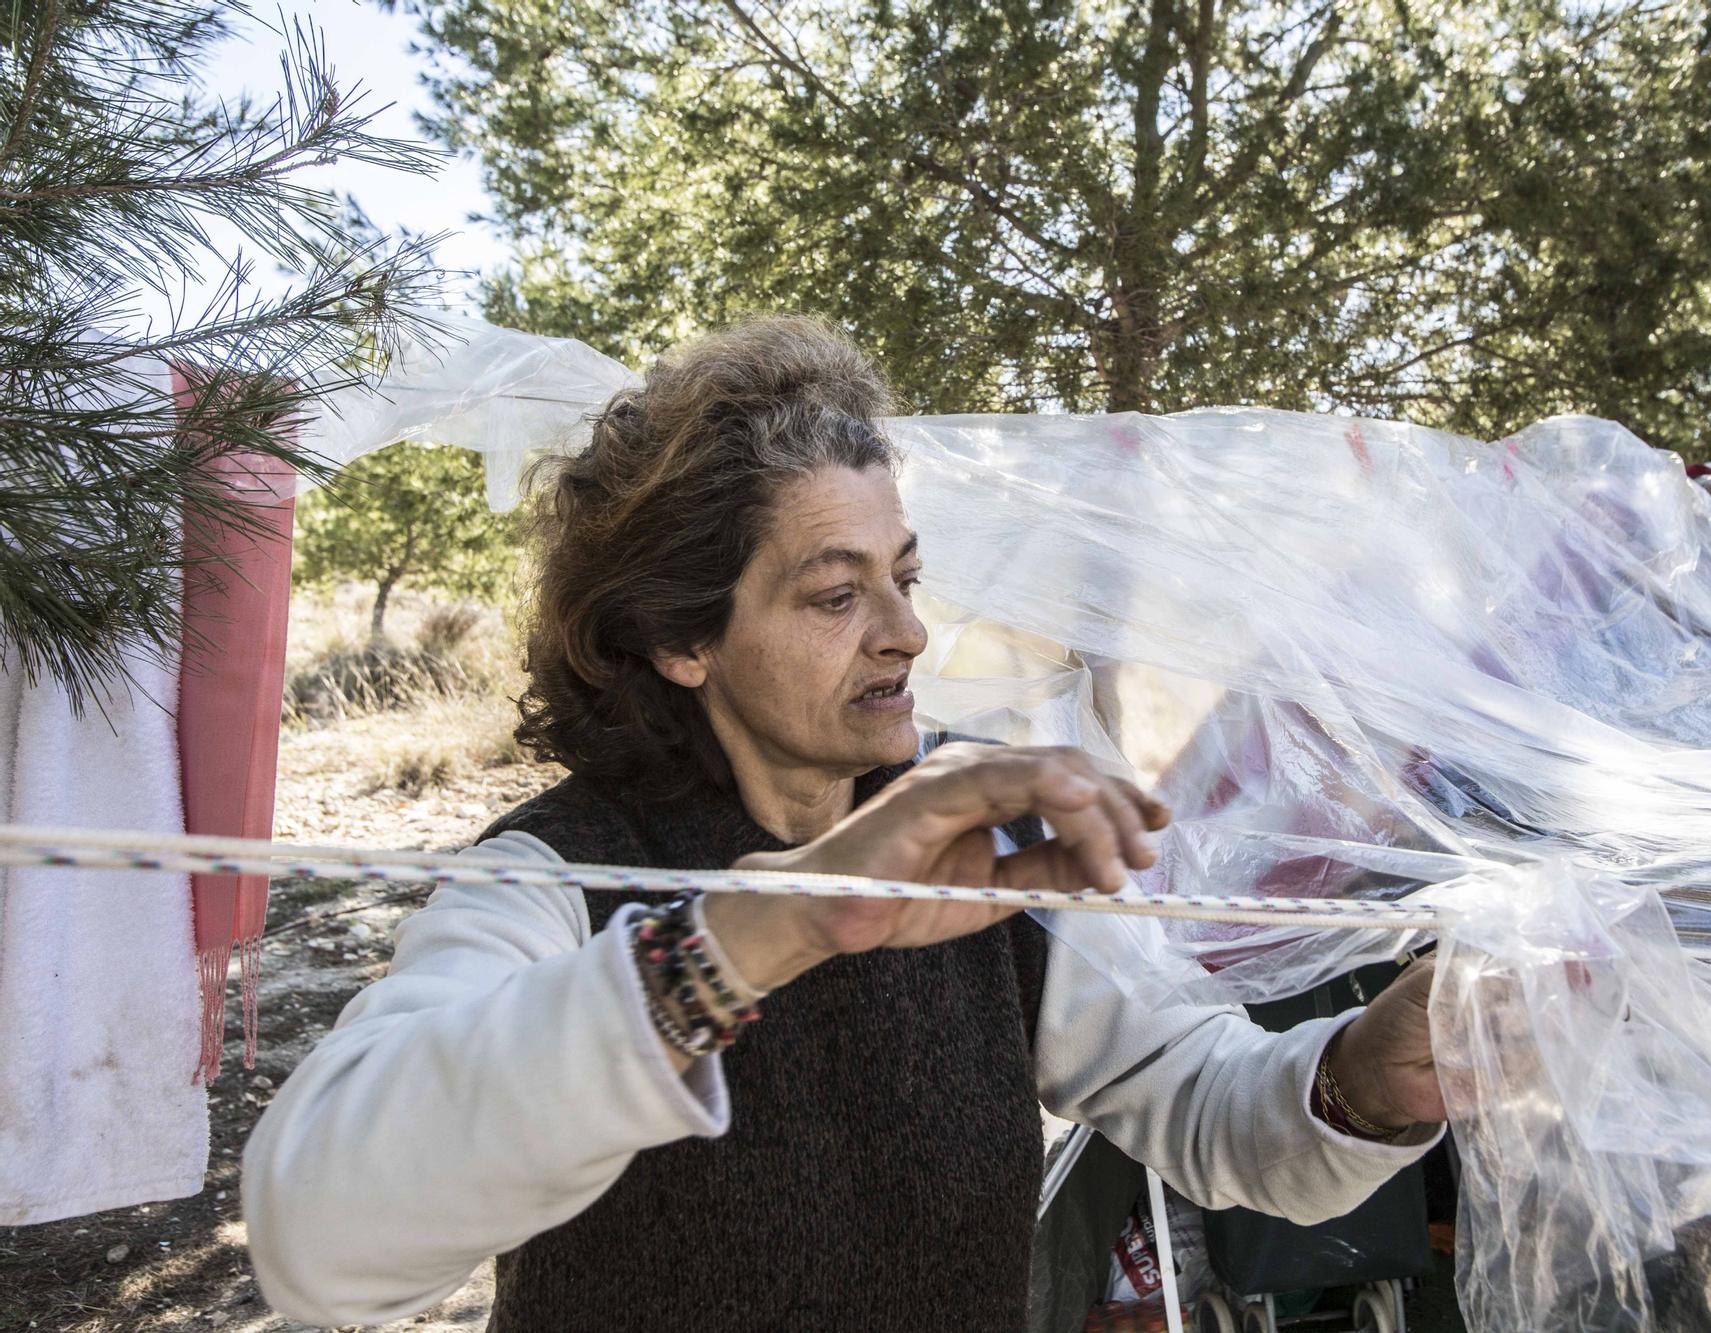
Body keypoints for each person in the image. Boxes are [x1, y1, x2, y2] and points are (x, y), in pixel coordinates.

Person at [243, 317, 1446, 1332]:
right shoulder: (552, 873)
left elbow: (1200, 1102)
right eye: (834, 593)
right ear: (681, 638)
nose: (905, 633)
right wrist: (754, 938)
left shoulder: (975, 834)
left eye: (904, 578)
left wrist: (1364, 1079)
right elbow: (324, 1242)